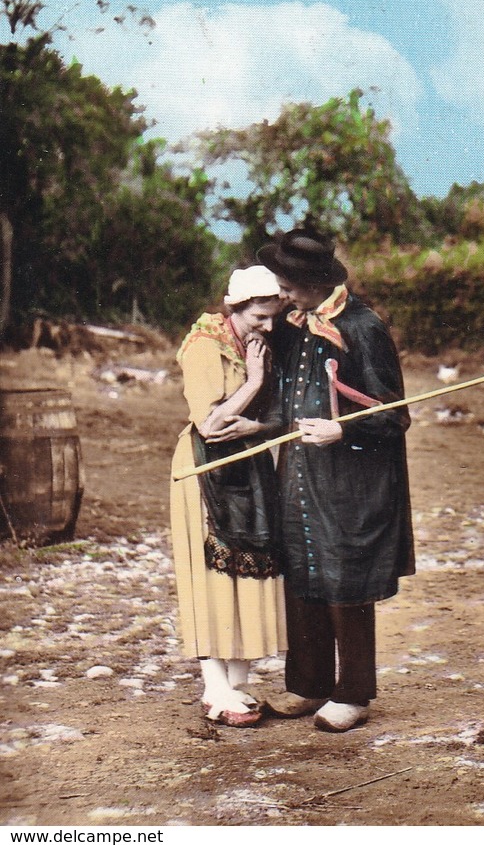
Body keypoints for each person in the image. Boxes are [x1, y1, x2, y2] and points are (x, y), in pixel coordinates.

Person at [254, 227, 414, 733]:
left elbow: (395, 414)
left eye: (288, 285)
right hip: (300, 472)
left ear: (315, 283)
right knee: (302, 570)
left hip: (351, 476)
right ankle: (309, 684)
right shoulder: (293, 323)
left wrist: (342, 429)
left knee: (345, 577)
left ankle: (353, 693)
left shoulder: (363, 327)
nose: (281, 294)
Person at [169, 265, 287, 727]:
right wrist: (254, 383)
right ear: (234, 308)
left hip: (250, 463)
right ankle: (213, 686)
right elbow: (211, 424)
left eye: (273, 315)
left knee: (248, 564)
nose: (269, 326)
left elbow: (273, 414)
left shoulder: (255, 343)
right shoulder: (204, 347)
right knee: (211, 570)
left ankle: (236, 680)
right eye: (260, 316)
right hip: (208, 468)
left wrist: (260, 421)